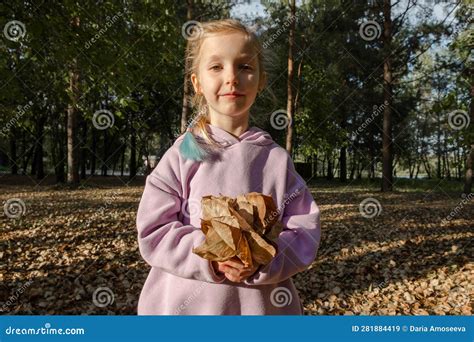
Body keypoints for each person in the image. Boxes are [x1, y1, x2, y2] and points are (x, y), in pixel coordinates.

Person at [136, 18, 321, 315]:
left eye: (245, 67)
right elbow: (153, 229)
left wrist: (264, 259)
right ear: (197, 82)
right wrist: (212, 256)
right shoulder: (184, 154)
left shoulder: (276, 161)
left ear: (261, 80)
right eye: (216, 67)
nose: (232, 77)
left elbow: (304, 230)